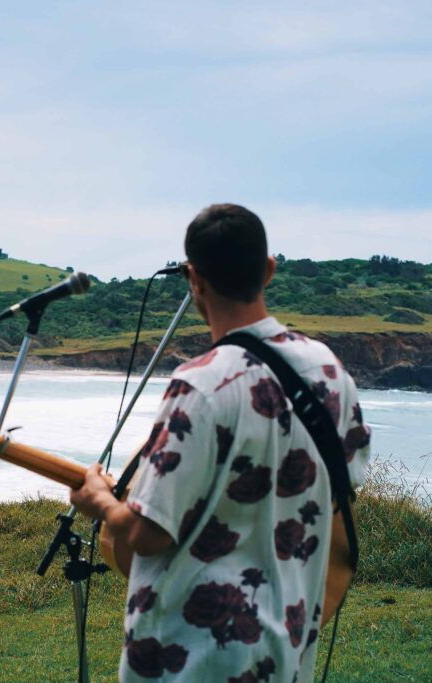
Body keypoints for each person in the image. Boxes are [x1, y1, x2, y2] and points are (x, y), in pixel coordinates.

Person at [70, 204, 372, 682]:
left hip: (194, 656)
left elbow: (150, 532)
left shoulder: (200, 386)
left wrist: (101, 503)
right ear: (269, 269)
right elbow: (342, 491)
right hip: (286, 648)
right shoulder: (331, 373)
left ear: (194, 279)